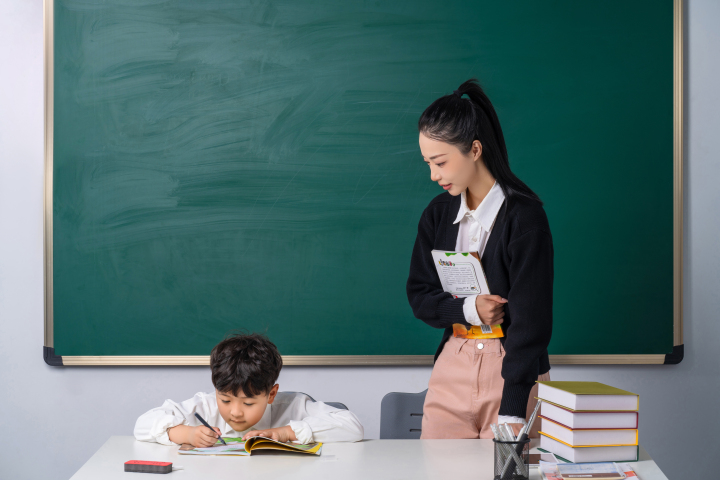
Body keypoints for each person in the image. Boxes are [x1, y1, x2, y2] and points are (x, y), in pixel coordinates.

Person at [406, 79, 553, 439]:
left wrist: (514, 407)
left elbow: (532, 322)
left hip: (512, 370)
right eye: (428, 163)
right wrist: (469, 309)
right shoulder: (437, 214)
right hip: (452, 365)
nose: (433, 175)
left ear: (474, 149)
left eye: (440, 162)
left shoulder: (525, 217)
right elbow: (420, 295)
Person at [134, 333, 364, 446]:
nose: (235, 412)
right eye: (225, 400)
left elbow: (353, 427)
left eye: (248, 403)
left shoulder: (294, 406)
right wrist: (185, 434)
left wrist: (285, 432)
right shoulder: (202, 406)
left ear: (271, 394)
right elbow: (141, 424)